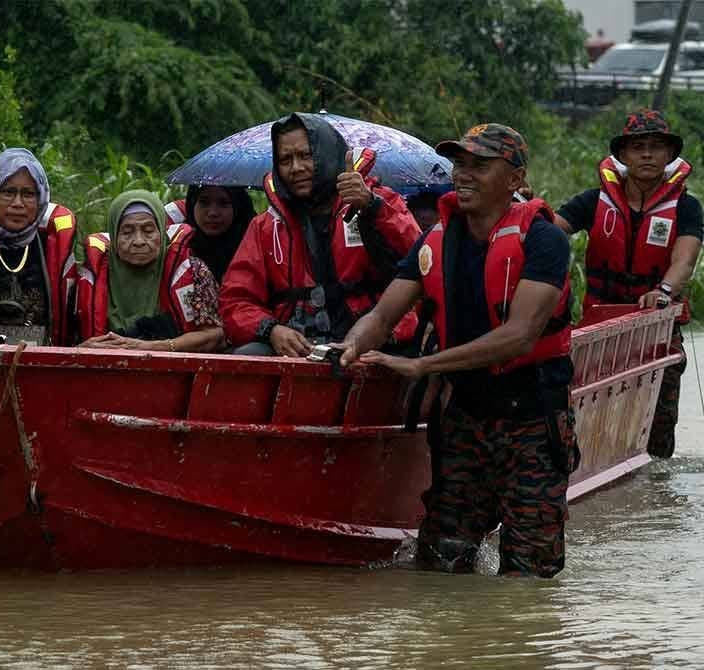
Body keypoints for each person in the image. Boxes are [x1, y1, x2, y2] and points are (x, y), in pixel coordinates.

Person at [339, 124, 577, 578]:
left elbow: (520, 335)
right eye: (460, 164)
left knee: (527, 576)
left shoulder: (544, 241)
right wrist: (349, 348)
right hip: (465, 418)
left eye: (480, 166)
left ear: (514, 179)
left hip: (532, 419)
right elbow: (383, 316)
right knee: (440, 564)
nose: (464, 175)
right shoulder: (435, 241)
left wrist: (424, 364)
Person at [555, 109, 702, 459]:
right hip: (600, 328)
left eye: (656, 147)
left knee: (658, 430)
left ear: (670, 156)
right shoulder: (592, 201)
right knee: (590, 420)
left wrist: (664, 292)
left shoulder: (687, 207)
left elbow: (685, 260)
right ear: (623, 156)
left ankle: (653, 487)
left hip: (657, 327)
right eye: (638, 147)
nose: (647, 154)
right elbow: (548, 231)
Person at [218, 112, 421, 356]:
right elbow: (235, 301)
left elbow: (418, 261)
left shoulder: (378, 201)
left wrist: (371, 206)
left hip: (375, 342)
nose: (296, 168)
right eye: (285, 159)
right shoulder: (265, 226)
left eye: (306, 155)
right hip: (298, 346)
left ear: (326, 153)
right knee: (247, 355)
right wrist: (271, 330)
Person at [77, 190, 224, 352]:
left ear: (161, 233)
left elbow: (216, 335)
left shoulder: (192, 270)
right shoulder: (90, 275)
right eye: (127, 232)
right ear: (114, 236)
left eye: (148, 231)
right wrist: (83, 349)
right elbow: (66, 342)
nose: (139, 241)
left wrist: (151, 347)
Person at [0, 148, 77, 345]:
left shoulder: (53, 248)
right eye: (8, 192)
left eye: (28, 194)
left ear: (41, 199)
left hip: (40, 365)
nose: (17, 203)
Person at [166, 185, 256, 285]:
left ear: (238, 207)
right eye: (204, 202)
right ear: (192, 204)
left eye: (223, 203)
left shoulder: (256, 250)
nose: (213, 213)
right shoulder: (176, 250)